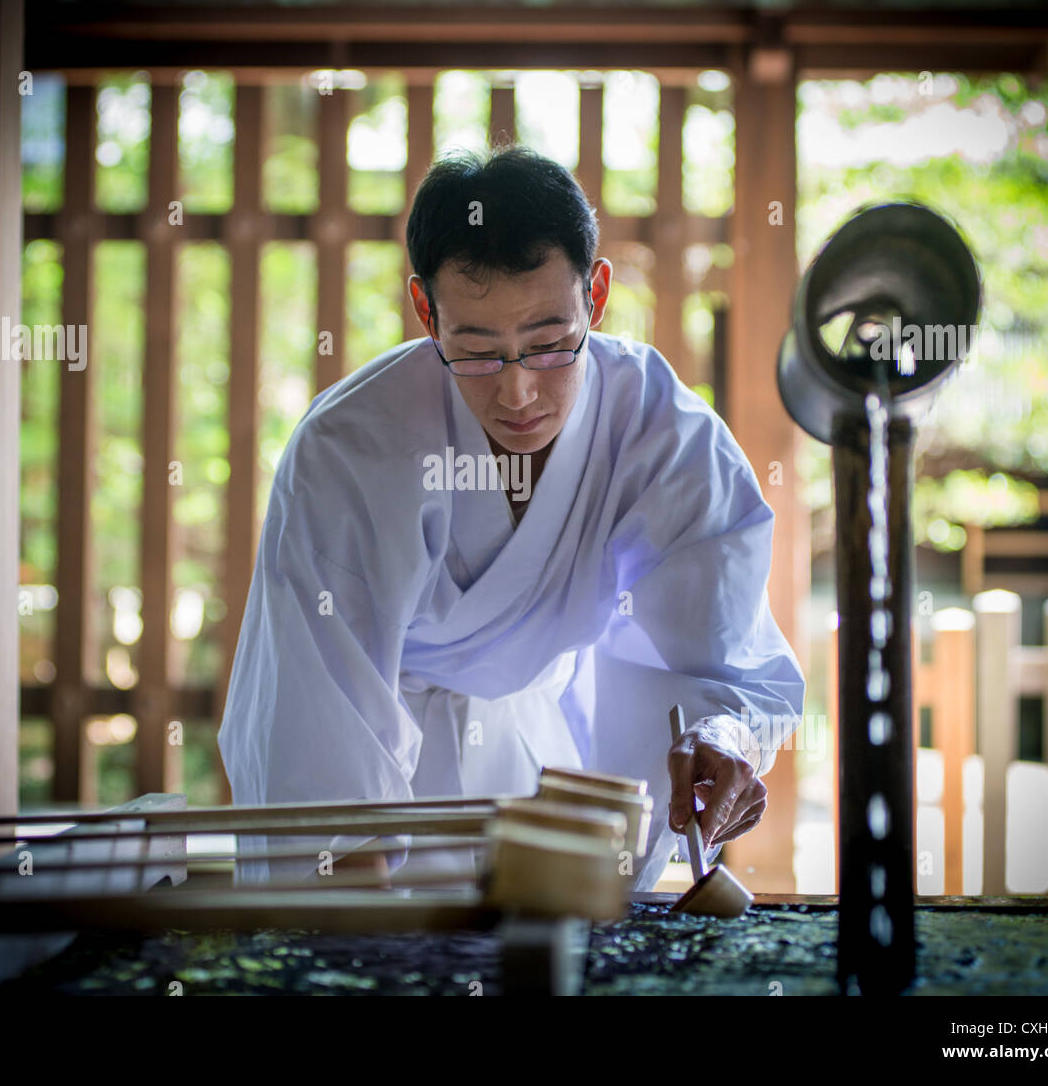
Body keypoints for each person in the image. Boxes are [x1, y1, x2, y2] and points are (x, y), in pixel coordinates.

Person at [218, 145, 805, 891]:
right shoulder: (348, 449)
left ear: (595, 296)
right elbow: (317, 704)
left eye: (549, 345)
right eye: (479, 352)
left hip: (545, 754)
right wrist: (355, 913)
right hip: (391, 753)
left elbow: (728, 660)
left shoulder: (662, 430)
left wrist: (724, 740)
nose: (519, 393)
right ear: (426, 311)